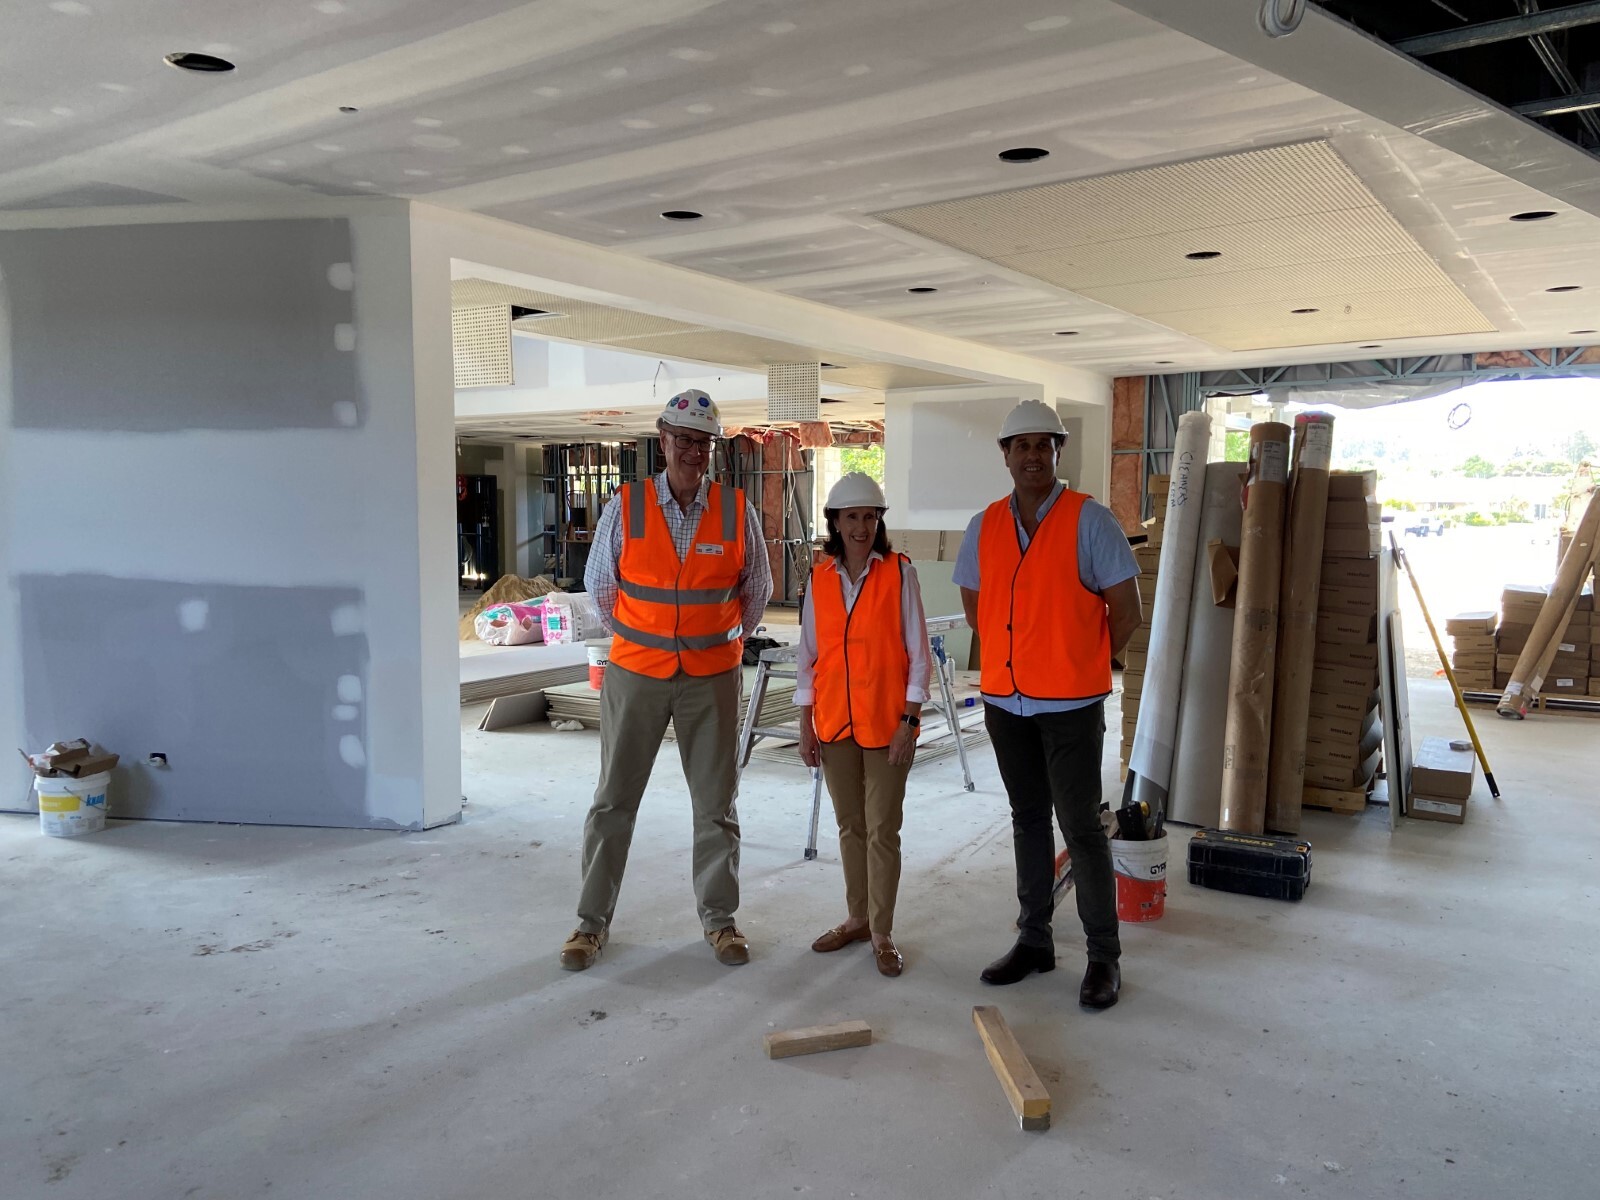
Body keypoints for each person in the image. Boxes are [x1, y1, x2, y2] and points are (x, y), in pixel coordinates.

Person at [559, 390, 773, 971]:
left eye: (703, 443)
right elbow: (601, 585)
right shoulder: (624, 506)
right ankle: (590, 925)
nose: (693, 452)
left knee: (716, 806)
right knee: (612, 803)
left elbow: (757, 590)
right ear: (663, 439)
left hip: (711, 679)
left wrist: (715, 638)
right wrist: (649, 637)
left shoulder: (735, 509)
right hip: (636, 675)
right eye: (683, 440)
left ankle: (720, 921)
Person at [953, 400, 1142, 1010]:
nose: (1032, 455)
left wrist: (1082, 663)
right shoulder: (984, 525)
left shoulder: (1091, 520)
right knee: (1027, 819)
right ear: (1004, 454)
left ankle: (1103, 957)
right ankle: (1034, 940)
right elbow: (975, 601)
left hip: (1070, 706)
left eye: (1044, 444)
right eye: (1021, 445)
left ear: (1059, 451)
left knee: (1082, 828)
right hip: (1007, 703)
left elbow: (1127, 609)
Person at [795, 473, 931, 978]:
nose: (862, 526)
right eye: (851, 517)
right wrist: (805, 722)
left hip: (887, 724)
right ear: (834, 522)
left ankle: (881, 932)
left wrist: (909, 721)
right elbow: (808, 656)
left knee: (882, 830)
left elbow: (919, 657)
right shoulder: (819, 579)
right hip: (834, 724)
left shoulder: (900, 574)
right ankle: (856, 917)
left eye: (870, 517)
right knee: (849, 826)